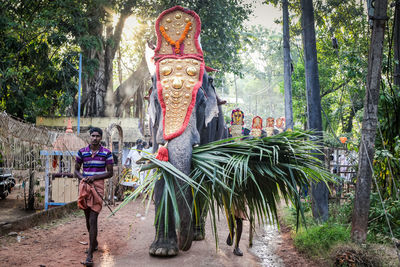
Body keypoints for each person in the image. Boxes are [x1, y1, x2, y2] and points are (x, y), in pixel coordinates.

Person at [75, 127, 114, 266]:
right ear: (89, 137)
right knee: (87, 218)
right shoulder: (82, 152)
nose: (95, 138)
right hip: (85, 186)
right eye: (93, 135)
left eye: (98, 136)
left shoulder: (107, 153)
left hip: (98, 187)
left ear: (101, 138)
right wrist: (83, 178)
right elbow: (76, 170)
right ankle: (95, 243)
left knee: (93, 218)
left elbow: (110, 173)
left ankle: (90, 256)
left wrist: (95, 177)